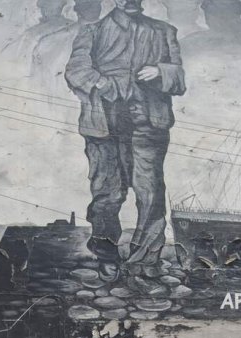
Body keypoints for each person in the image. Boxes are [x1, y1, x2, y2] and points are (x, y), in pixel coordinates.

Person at [65, 0, 186, 278]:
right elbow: (76, 70)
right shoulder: (93, 31)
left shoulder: (164, 31)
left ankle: (146, 260)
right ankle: (106, 252)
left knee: (150, 192)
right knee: (107, 192)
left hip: (148, 123)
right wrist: (102, 83)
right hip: (104, 125)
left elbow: (179, 79)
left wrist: (162, 71)